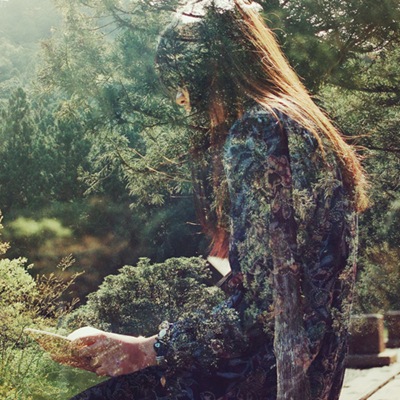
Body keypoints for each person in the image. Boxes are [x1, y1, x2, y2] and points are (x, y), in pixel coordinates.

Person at [64, 1, 368, 399]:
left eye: (183, 85)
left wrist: (149, 349)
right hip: (310, 377)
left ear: (211, 72)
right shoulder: (307, 128)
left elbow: (266, 308)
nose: (184, 101)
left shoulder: (258, 132)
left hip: (264, 380)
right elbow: (291, 286)